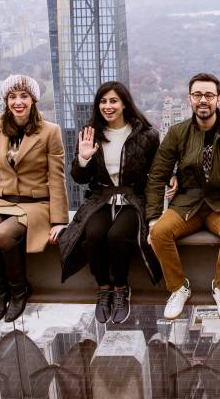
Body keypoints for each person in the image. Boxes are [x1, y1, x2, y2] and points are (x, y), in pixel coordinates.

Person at [145, 73, 220, 322]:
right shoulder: (177, 133)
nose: (203, 100)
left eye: (209, 95)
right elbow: (156, 176)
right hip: (188, 202)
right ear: (189, 99)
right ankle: (178, 287)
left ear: (218, 99)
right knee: (159, 233)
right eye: (197, 95)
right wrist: (153, 218)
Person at [0, 75, 69, 323]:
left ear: (33, 100)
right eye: (12, 96)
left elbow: (56, 177)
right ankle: (0, 291)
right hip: (4, 201)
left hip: (36, 204)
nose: (18, 102)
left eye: (24, 96)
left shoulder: (50, 131)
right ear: (6, 100)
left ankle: (20, 291)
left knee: (4, 234)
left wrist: (59, 220)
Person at [57, 81, 165, 325]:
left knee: (117, 236)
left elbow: (157, 173)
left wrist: (168, 186)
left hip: (133, 199)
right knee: (93, 235)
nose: (108, 106)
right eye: (103, 101)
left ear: (125, 103)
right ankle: (103, 288)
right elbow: (79, 178)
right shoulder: (90, 134)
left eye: (113, 101)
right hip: (101, 198)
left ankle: (120, 288)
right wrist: (83, 158)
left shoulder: (146, 136)